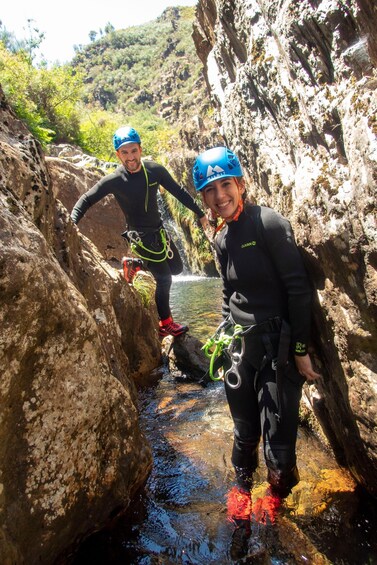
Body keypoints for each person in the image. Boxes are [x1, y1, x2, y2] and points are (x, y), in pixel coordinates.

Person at [192, 146, 320, 537]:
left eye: (225, 185)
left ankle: (277, 493)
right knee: (244, 433)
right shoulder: (222, 238)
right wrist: (225, 332)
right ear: (203, 198)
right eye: (210, 190)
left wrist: (299, 350)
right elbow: (230, 294)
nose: (219, 196)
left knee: (279, 453)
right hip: (241, 349)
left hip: (277, 350)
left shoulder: (270, 225)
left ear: (241, 184)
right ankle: (241, 488)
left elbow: (299, 291)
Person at [71, 126, 209, 337]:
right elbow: (86, 199)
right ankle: (165, 324)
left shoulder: (155, 171)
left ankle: (133, 264)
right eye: (124, 152)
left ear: (140, 150)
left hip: (159, 232)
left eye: (133, 150)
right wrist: (71, 222)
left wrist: (200, 214)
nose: (130, 157)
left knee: (177, 268)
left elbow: (179, 192)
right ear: (118, 154)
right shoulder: (115, 180)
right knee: (164, 279)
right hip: (140, 238)